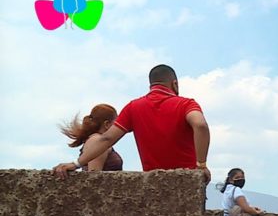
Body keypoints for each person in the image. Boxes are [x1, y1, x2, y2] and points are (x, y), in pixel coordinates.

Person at [53, 64, 211, 182]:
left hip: (155, 184)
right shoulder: (186, 104)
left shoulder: (133, 107)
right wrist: (202, 165)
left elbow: (106, 139)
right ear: (175, 84)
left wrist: (76, 164)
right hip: (188, 181)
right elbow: (200, 125)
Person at [59, 104, 123, 171]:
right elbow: (94, 174)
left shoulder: (95, 140)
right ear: (106, 124)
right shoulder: (96, 141)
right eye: (115, 123)